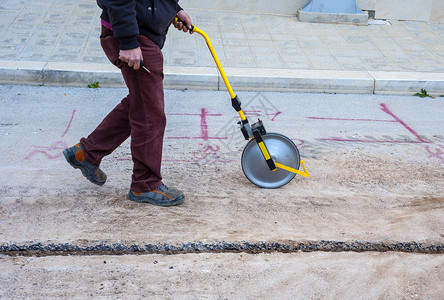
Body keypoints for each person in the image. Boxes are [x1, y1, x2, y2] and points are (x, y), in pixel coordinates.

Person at [63, 0, 193, 207]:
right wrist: (128, 40)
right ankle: (145, 184)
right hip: (133, 35)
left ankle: (86, 153)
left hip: (140, 31)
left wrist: (174, 9)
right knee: (151, 114)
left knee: (143, 102)